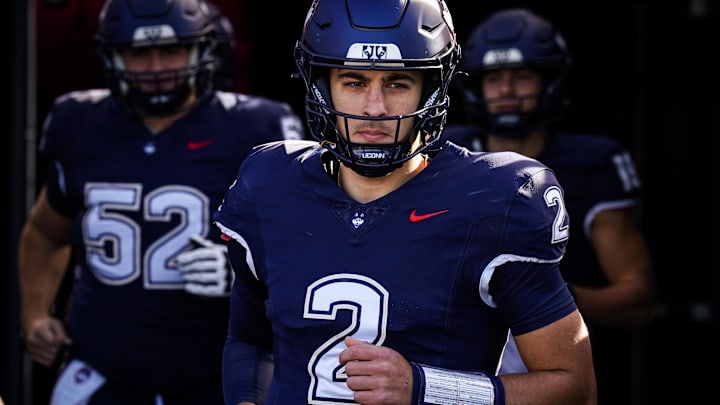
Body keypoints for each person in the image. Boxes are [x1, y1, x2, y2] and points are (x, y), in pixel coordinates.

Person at [213, 0, 597, 404]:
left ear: (430, 89)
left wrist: (427, 388)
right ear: (322, 85)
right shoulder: (269, 184)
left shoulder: (496, 198)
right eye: (354, 82)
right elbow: (249, 341)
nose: (375, 109)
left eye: (397, 83)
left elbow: (574, 386)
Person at [18, 0, 304, 403]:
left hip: (215, 372)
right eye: (138, 54)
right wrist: (34, 315)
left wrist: (243, 275)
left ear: (204, 50)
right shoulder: (79, 122)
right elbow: (47, 232)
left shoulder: (256, 127)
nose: (155, 68)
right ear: (112, 55)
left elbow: (308, 247)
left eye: (170, 50)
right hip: (102, 367)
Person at [444, 8, 657, 404]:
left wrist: (542, 301)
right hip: (460, 365)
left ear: (549, 81)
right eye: (493, 78)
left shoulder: (592, 163)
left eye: (521, 76)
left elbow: (638, 297)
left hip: (554, 361)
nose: (506, 90)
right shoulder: (445, 155)